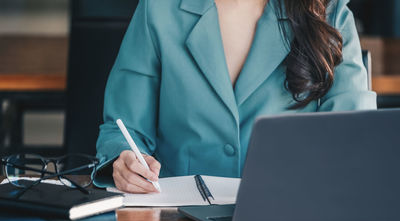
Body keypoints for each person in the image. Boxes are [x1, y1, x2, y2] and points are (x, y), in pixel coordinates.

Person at [95, 0, 377, 193]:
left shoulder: (329, 11)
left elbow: (355, 139)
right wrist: (124, 161)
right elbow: (124, 127)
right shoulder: (159, 9)